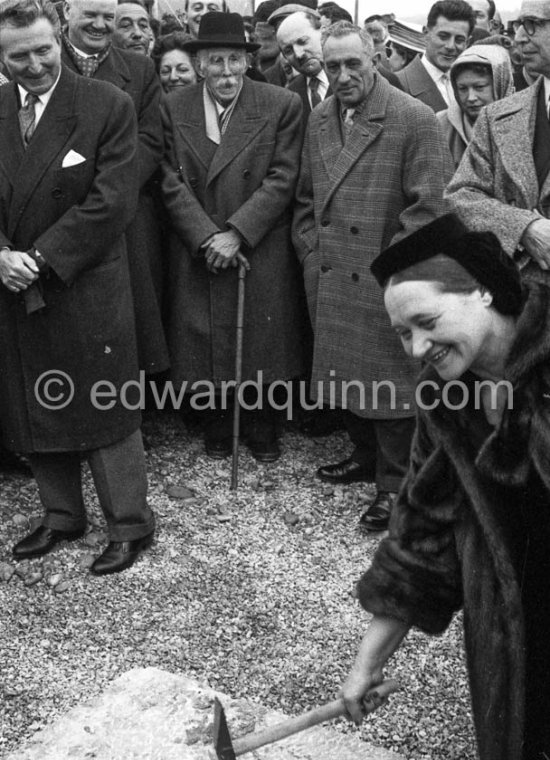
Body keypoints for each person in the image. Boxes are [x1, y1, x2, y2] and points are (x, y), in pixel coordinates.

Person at [341, 212, 550, 760]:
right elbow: (419, 537)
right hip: (517, 645)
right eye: (403, 335)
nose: (417, 348)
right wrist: (368, 662)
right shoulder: (446, 400)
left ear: (481, 288)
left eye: (426, 323)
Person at [0, 0, 155, 575]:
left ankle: (129, 524)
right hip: (14, 282)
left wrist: (39, 258)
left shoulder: (106, 104)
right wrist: (1, 256)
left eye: (43, 49)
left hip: (82, 280)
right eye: (19, 56)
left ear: (59, 39)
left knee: (103, 404)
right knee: (35, 399)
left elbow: (113, 199)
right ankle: (62, 515)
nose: (35, 64)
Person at [293, 20, 452, 532]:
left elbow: (430, 210)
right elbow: (305, 200)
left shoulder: (413, 118)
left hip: (385, 276)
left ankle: (394, 484)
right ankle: (364, 458)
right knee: (346, 376)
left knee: (391, 386)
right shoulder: (319, 118)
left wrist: (391, 273)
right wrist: (311, 252)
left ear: (377, 57)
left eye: (352, 64)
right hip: (332, 269)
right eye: (332, 65)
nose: (342, 75)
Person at [161, 12, 306, 462]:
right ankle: (218, 421)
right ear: (199, 64)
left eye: (233, 61)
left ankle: (261, 424)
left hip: (256, 241)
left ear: (247, 62)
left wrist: (238, 232)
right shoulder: (173, 106)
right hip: (199, 241)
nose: (226, 72)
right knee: (206, 333)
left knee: (260, 335)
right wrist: (206, 236)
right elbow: (167, 178)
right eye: (215, 61)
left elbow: (284, 177)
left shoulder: (281, 104)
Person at [62, 0, 167, 378]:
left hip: (122, 208)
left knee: (127, 308)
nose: (100, 25)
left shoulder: (139, 69)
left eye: (108, 17)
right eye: (90, 15)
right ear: (66, 13)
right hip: (57, 208)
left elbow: (152, 139)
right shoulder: (44, 61)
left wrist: (110, 190)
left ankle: (131, 397)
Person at [446, 0, 550, 281]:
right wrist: (523, 227)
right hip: (516, 301)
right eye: (518, 25)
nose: (518, 36)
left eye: (532, 24)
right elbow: (461, 195)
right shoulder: (498, 115)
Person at [437, 43, 514, 169]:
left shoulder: (523, 120)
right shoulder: (441, 124)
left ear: (500, 84)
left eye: (479, 87)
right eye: (462, 89)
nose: (471, 97)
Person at [397, 0, 475, 112]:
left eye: (459, 40)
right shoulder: (399, 84)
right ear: (425, 34)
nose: (450, 46)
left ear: (467, 43)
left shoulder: (473, 84)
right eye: (443, 37)